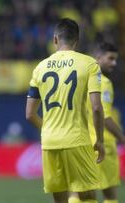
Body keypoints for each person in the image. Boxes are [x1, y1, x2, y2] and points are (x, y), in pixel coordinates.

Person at [25, 18, 105, 203]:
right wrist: (99, 140)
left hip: (50, 141)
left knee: (59, 197)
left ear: (55, 40)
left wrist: (46, 129)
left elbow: (29, 114)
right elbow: (96, 107)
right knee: (88, 195)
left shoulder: (40, 68)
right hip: (77, 139)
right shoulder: (89, 64)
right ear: (77, 40)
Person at [69, 42, 125, 203]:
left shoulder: (80, 79)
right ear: (98, 58)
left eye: (116, 59)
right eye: (110, 58)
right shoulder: (103, 83)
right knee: (109, 194)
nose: (114, 63)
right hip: (102, 143)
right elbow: (104, 116)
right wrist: (122, 138)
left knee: (78, 192)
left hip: (79, 142)